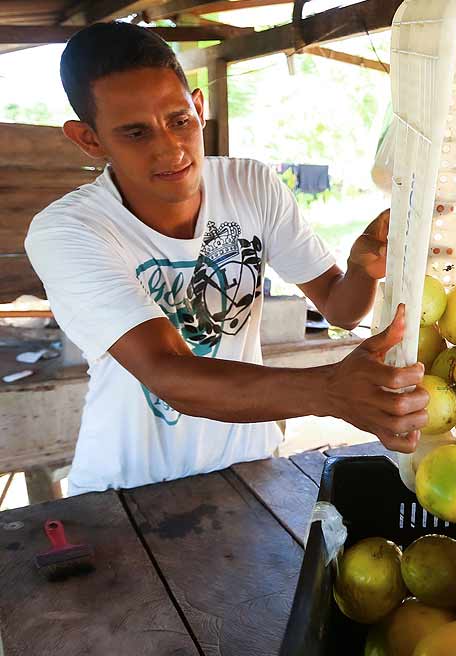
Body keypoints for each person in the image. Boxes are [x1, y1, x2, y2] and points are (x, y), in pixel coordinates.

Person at [24, 22, 428, 495]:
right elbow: (167, 372)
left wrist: (361, 269)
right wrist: (332, 390)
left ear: (198, 107)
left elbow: (340, 308)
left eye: (179, 120)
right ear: (89, 140)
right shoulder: (70, 230)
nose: (170, 148)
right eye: (135, 133)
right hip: (127, 492)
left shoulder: (251, 187)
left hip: (249, 470)